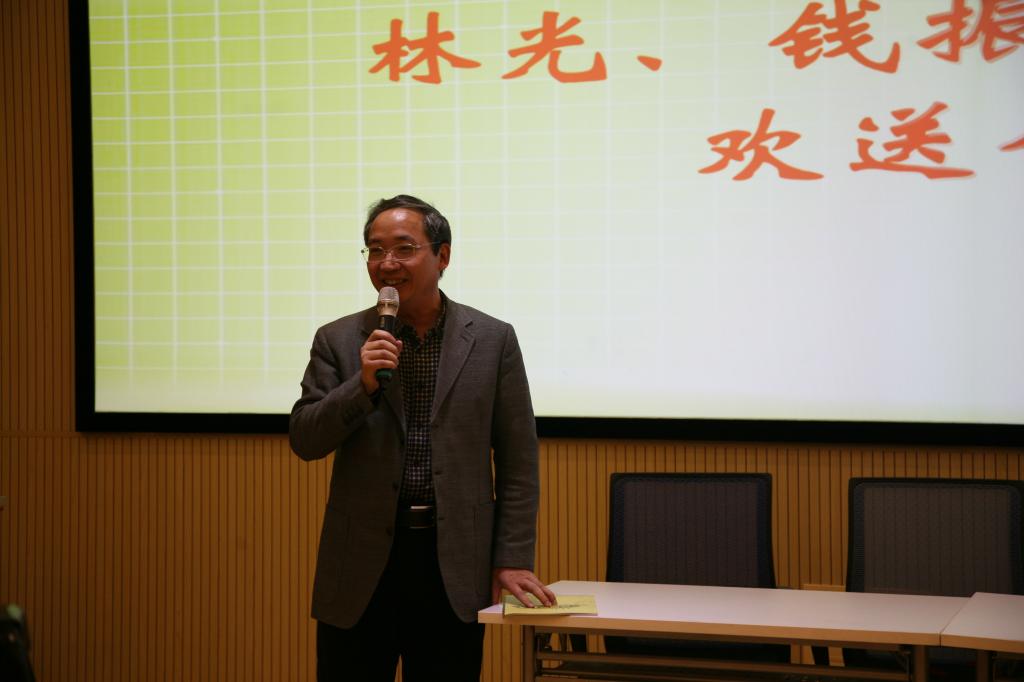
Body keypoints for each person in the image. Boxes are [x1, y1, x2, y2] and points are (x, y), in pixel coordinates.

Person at [290, 195, 556, 681]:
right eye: (375, 250)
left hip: (451, 564)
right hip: (360, 565)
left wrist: (512, 559)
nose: (387, 263)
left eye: (404, 248)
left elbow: (518, 461)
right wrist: (361, 385)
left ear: (443, 256)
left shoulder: (493, 340)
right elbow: (306, 439)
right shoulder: (338, 339)